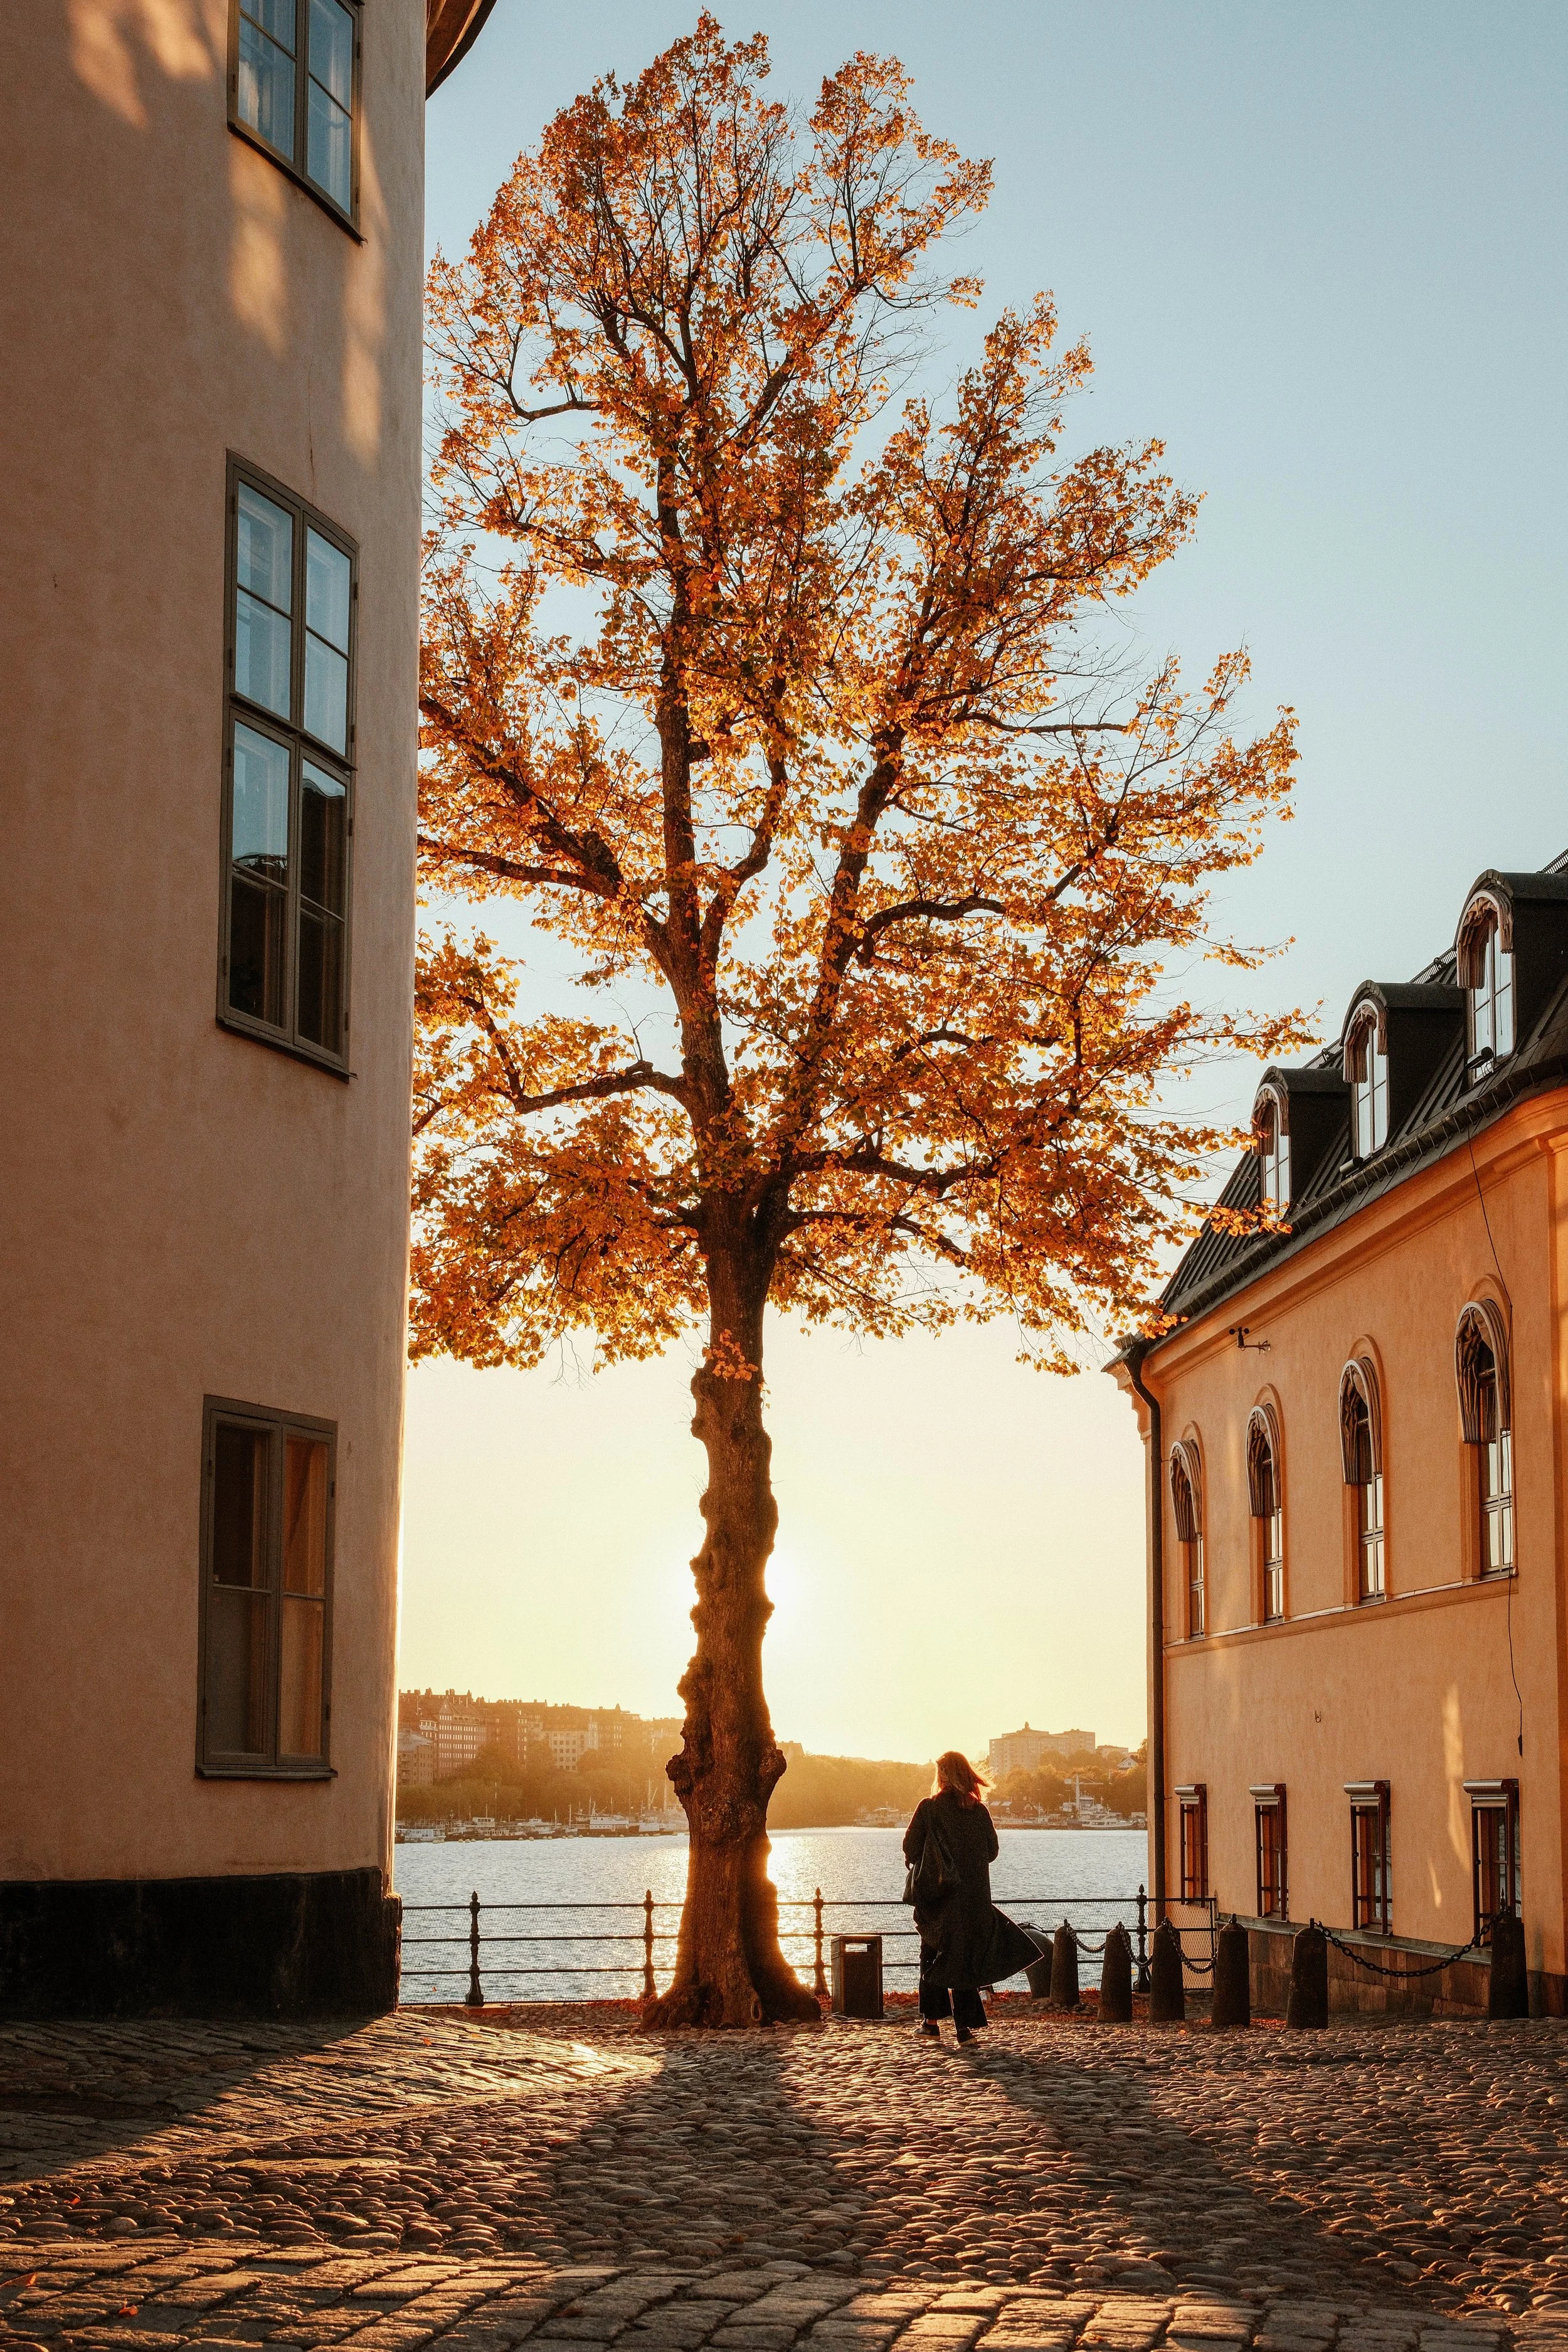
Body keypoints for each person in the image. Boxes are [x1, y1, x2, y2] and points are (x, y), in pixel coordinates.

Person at [903, 1751, 1039, 2042]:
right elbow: (992, 1852)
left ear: (942, 1776)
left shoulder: (929, 1808)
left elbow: (910, 1847)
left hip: (938, 1899)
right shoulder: (979, 1812)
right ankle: (964, 2029)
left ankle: (930, 2022)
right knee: (963, 1959)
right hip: (974, 1901)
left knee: (932, 1955)